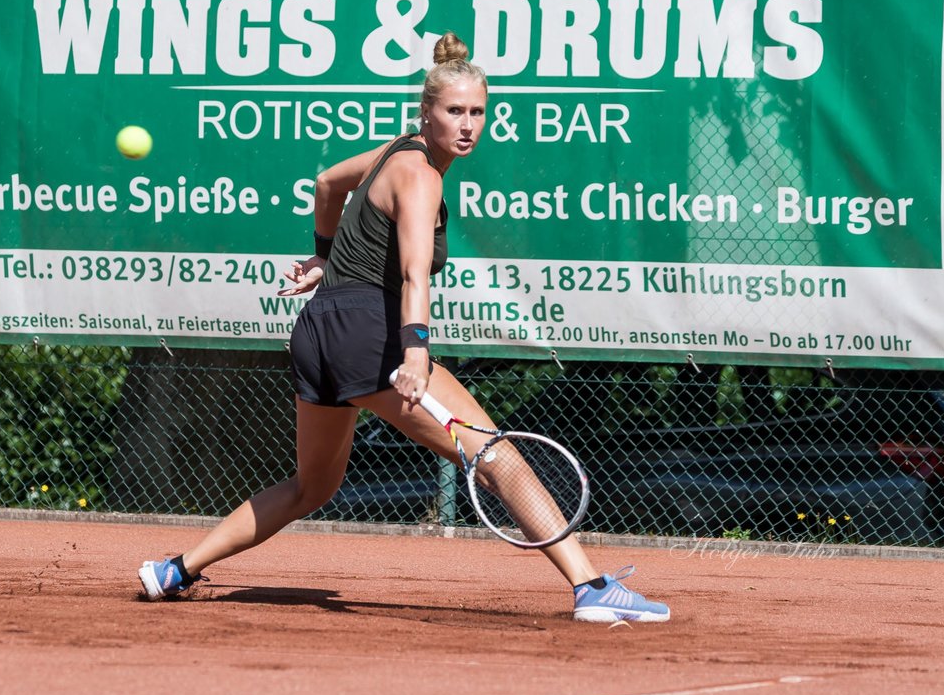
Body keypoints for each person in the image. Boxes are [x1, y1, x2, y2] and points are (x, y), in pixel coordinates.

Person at [138, 32, 670, 623]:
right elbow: (416, 275)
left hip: (317, 332)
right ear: (427, 112)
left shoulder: (393, 150)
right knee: (498, 458)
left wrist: (324, 256)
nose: (467, 125)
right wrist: (415, 355)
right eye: (454, 112)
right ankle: (591, 589)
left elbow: (326, 185)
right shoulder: (422, 178)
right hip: (372, 333)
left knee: (311, 489)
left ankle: (175, 570)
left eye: (478, 113)